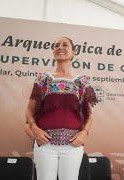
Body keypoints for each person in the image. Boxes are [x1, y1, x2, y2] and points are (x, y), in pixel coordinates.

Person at [25, 37, 98, 180]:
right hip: (44, 144)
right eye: (56, 45)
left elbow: (89, 114)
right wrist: (34, 128)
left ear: (73, 52)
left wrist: (84, 133)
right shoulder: (43, 79)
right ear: (53, 52)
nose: (60, 47)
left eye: (65, 45)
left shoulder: (82, 81)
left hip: (72, 146)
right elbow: (29, 110)